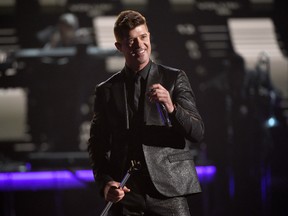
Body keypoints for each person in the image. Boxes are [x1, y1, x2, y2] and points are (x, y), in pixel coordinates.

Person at [88, 10, 204, 216]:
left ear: (149, 37)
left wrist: (171, 107)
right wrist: (106, 184)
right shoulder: (106, 90)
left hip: (169, 192)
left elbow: (197, 132)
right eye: (131, 40)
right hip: (127, 194)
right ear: (119, 47)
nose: (139, 44)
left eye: (143, 37)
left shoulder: (174, 78)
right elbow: (97, 146)